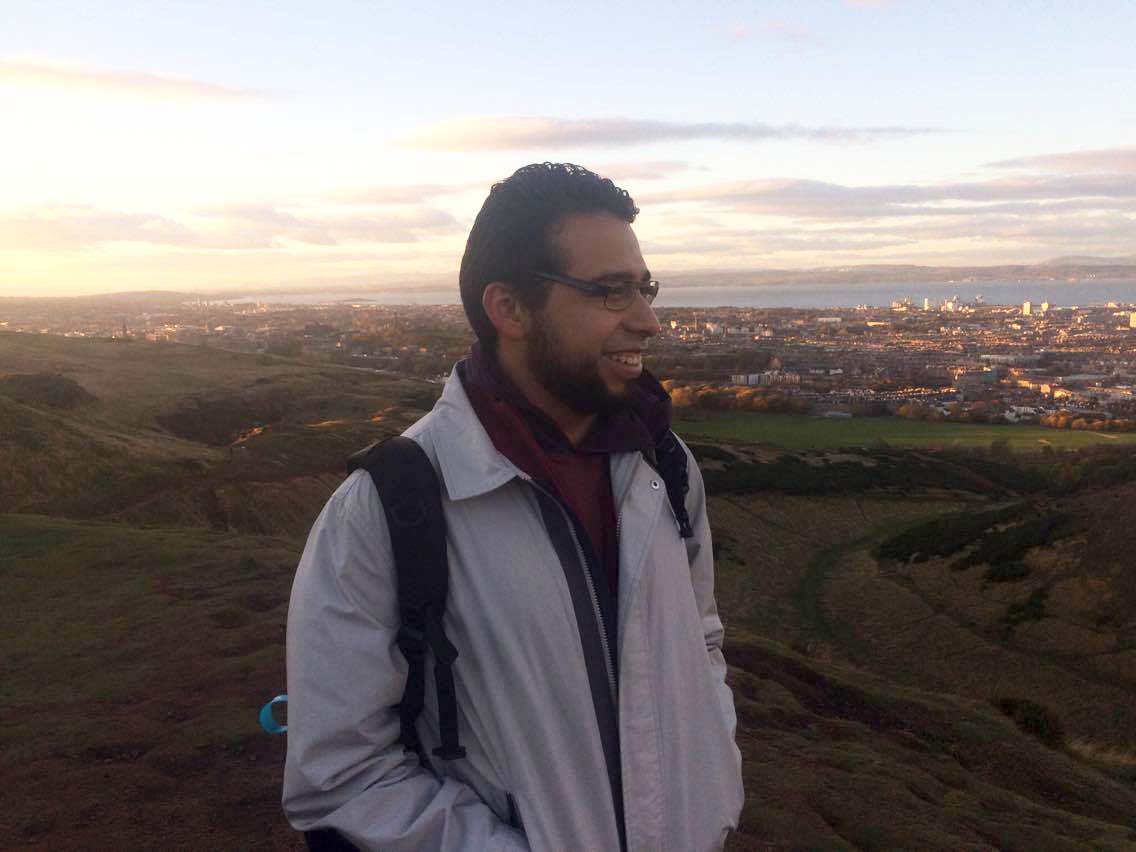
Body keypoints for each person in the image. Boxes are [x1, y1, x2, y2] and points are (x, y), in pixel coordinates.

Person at [283, 163, 743, 851]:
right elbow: (343, 780)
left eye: (644, 288)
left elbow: (700, 642)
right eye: (610, 292)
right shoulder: (385, 510)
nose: (648, 321)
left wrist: (713, 793)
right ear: (510, 309)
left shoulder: (666, 470)